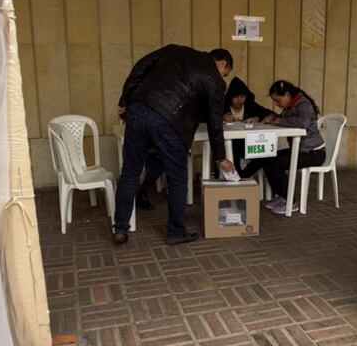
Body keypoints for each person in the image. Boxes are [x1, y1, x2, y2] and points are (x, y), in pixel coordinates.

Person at [113, 45, 236, 244]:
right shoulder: (215, 80)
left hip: (138, 109)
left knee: (129, 172)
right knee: (177, 179)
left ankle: (120, 228)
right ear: (222, 64)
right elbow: (215, 122)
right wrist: (221, 156)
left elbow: (140, 66)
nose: (223, 77)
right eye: (225, 73)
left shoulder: (174, 50)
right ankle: (176, 232)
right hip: (169, 121)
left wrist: (126, 99)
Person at [240, 80, 325, 215]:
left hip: (314, 153)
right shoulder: (291, 105)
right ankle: (280, 196)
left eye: (277, 100)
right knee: (268, 158)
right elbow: (285, 118)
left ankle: (291, 202)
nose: (276, 104)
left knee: (276, 163)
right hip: (299, 150)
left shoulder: (303, 104)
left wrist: (280, 121)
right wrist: (268, 117)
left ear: (286, 95)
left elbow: (302, 123)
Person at [221, 77, 273, 170]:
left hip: (250, 144)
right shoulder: (223, 107)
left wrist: (257, 118)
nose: (239, 100)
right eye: (236, 97)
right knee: (233, 150)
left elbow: (270, 114)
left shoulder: (251, 106)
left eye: (242, 97)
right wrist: (221, 118)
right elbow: (208, 117)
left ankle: (243, 177)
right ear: (230, 97)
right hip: (228, 147)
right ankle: (239, 177)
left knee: (267, 153)